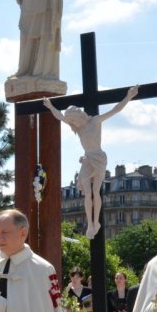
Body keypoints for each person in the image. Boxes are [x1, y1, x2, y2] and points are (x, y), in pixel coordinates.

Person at [42, 86, 138, 238]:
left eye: (73, 120)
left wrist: (128, 97)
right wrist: (50, 106)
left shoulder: (95, 121)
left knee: (95, 191)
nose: (72, 123)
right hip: (87, 159)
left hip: (99, 159)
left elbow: (115, 110)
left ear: (79, 117)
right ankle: (91, 224)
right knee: (87, 193)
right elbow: (60, 117)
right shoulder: (78, 128)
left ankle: (96, 221)